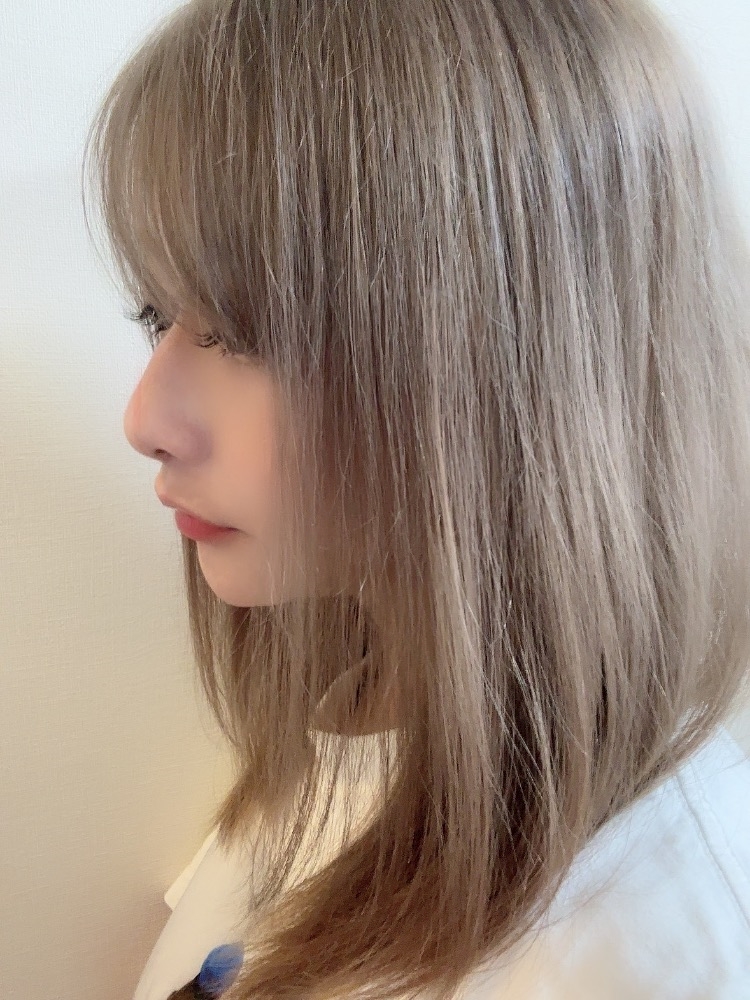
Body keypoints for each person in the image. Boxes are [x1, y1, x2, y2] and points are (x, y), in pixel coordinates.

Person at [81, 0, 750, 997]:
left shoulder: (639, 946)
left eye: (247, 327)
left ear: (518, 359)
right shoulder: (357, 735)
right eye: (158, 314)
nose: (146, 418)